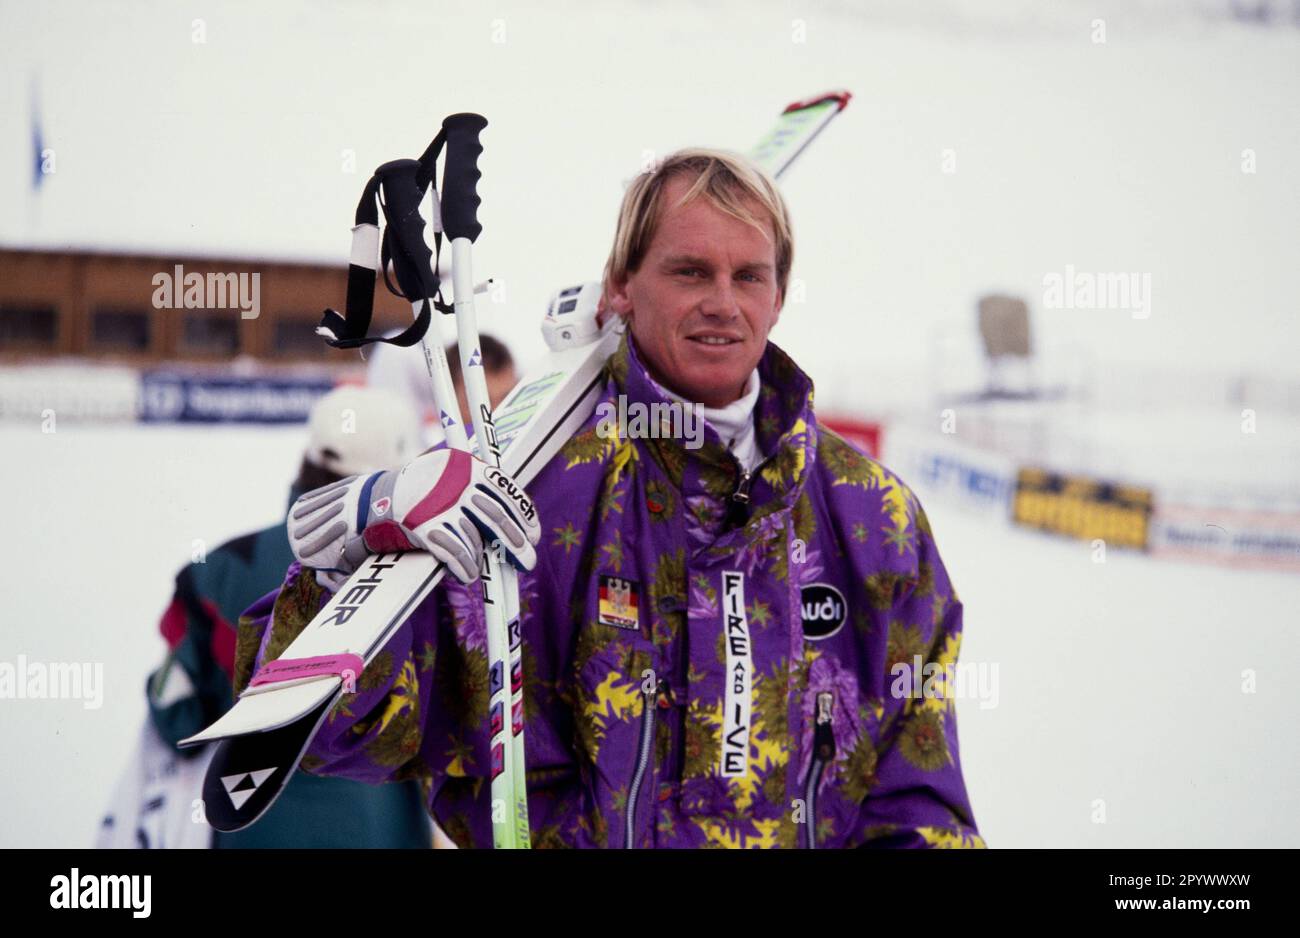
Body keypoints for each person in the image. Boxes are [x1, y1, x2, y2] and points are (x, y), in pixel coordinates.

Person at [239, 149, 984, 848]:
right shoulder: (527, 495)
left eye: (748, 276)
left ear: (779, 295)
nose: (724, 303)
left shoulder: (872, 516)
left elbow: (916, 796)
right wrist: (348, 564)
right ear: (621, 286)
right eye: (691, 272)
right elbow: (344, 730)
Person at [100, 386, 433, 849]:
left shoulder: (219, 571)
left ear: (306, 462)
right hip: (387, 831)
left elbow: (178, 714)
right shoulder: (429, 578)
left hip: (252, 824)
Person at [365, 335, 517, 444]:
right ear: (448, 396)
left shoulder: (520, 441)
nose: (495, 413)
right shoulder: (430, 450)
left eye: (505, 398)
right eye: (484, 401)